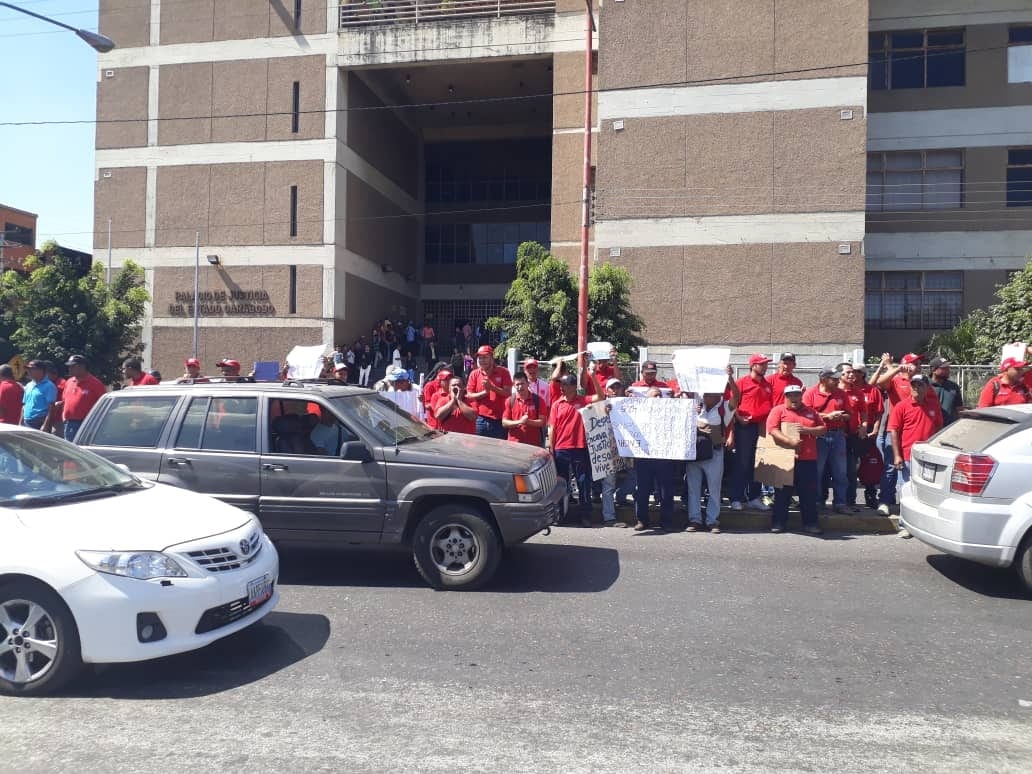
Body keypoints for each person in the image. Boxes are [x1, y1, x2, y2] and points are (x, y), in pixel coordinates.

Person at [766, 383, 827, 535]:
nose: (794, 398)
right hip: (785, 459)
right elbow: (772, 429)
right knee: (782, 493)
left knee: (808, 494)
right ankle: (779, 523)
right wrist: (789, 442)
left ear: (801, 396)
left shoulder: (811, 411)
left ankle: (811, 523)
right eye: (790, 395)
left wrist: (808, 430)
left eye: (797, 395)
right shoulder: (778, 410)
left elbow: (823, 429)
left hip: (808, 459)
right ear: (785, 397)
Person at [889, 374, 944, 538]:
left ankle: (924, 526)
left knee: (927, 494)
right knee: (907, 491)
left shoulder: (933, 406)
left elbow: (939, 428)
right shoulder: (901, 406)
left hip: (929, 458)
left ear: (927, 388)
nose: (916, 388)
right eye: (914, 385)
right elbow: (894, 431)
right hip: (908, 456)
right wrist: (897, 455)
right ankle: (905, 525)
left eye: (920, 385)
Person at [547, 370, 601, 527]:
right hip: (561, 449)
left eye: (565, 384)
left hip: (579, 448)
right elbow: (552, 428)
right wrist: (551, 448)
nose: (562, 387)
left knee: (583, 482)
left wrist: (593, 377)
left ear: (573, 386)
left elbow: (600, 397)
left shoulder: (583, 400)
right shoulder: (557, 404)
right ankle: (559, 515)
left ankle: (586, 515)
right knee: (560, 485)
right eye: (561, 384)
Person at [730, 354, 774, 512]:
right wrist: (738, 418)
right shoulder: (742, 382)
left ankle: (754, 498)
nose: (765, 366)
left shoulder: (767, 384)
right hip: (745, 428)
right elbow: (732, 404)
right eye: (762, 364)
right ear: (753, 366)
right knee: (742, 463)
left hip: (761, 427)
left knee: (757, 464)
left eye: (766, 364)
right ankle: (736, 498)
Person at [803, 367, 851, 514]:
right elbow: (806, 415)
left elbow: (849, 414)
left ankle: (840, 503)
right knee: (817, 471)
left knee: (840, 472)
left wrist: (841, 416)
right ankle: (817, 502)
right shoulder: (810, 393)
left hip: (838, 436)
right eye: (834, 379)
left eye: (837, 378)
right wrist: (827, 416)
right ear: (823, 379)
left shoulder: (841, 393)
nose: (837, 381)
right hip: (818, 436)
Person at [684, 390, 731, 532]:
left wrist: (730, 379)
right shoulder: (695, 405)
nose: (705, 396)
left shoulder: (724, 407)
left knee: (714, 489)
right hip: (695, 452)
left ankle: (712, 521)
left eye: (708, 394)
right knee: (693, 489)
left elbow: (736, 397)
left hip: (714, 453)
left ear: (717, 396)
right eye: (704, 394)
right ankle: (695, 520)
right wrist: (691, 410)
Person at [633, 387, 677, 531]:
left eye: (659, 396)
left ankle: (667, 521)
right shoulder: (640, 412)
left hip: (664, 457)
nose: (658, 399)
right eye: (654, 396)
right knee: (642, 490)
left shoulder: (669, 411)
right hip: (644, 457)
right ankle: (642, 520)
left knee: (666, 491)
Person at [600, 378, 634, 528]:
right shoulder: (600, 405)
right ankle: (609, 517)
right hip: (609, 450)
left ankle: (620, 496)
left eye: (617, 387)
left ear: (622, 389)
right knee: (608, 484)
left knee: (635, 477)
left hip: (627, 448)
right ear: (606, 390)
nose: (614, 390)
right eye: (611, 388)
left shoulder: (628, 404)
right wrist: (603, 412)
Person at [838, 364, 868, 513]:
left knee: (851, 470)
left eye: (853, 372)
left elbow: (864, 412)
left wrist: (864, 426)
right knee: (830, 470)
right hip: (834, 435)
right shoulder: (834, 391)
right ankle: (822, 501)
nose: (852, 375)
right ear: (840, 375)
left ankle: (850, 501)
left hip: (852, 436)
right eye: (848, 372)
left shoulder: (858, 392)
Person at [465, 345, 513, 439]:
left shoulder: (503, 372)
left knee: (500, 446)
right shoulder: (474, 374)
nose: (482, 360)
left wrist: (492, 388)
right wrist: (484, 393)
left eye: (485, 357)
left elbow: (508, 393)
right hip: (480, 419)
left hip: (500, 419)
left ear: (492, 358)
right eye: (480, 358)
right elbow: (469, 395)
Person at [61, 354, 107, 442]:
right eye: (69, 366)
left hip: (86, 424)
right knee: (70, 448)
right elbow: (64, 400)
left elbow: (103, 405)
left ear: (82, 367)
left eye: (72, 366)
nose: (69, 369)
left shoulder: (95, 384)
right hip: (69, 423)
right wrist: (64, 416)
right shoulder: (69, 382)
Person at [502, 371, 546, 446]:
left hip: (533, 444)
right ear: (514, 385)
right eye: (517, 384)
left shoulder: (538, 400)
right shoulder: (510, 400)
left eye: (522, 384)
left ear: (528, 383)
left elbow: (542, 422)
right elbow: (504, 422)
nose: (520, 387)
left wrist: (528, 422)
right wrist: (520, 422)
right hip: (514, 444)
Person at [20, 359, 57, 429]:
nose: (28, 371)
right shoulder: (28, 385)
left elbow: (51, 408)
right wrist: (20, 422)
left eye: (31, 369)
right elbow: (24, 405)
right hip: (26, 421)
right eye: (28, 369)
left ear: (40, 370)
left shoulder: (49, 386)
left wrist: (45, 425)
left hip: (40, 422)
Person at [928, 357, 964, 423]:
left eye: (948, 368)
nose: (948, 370)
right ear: (934, 370)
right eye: (944, 368)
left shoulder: (954, 386)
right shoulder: (925, 386)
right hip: (931, 426)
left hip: (950, 427)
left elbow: (959, 409)